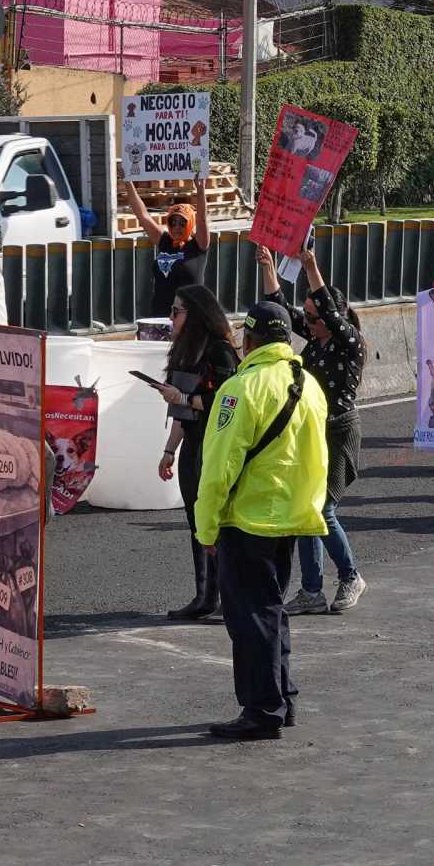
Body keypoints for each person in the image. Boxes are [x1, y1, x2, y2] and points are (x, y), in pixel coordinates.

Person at [193, 301, 329, 740]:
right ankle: (282, 697)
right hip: (291, 516)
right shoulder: (308, 384)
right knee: (270, 610)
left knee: (250, 617)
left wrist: (206, 526)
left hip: (247, 517)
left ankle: (262, 707)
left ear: (247, 340)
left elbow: (217, 467)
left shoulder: (240, 388)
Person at [255, 245, 368, 617]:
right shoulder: (316, 339)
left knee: (322, 508)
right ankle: (312, 591)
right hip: (314, 432)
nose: (310, 322)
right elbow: (281, 311)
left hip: (340, 432)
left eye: (315, 317)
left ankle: (351, 576)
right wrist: (269, 269)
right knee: (307, 507)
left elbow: (330, 313)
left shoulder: (349, 343)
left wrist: (311, 265)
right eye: (309, 318)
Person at [155, 284, 240, 619]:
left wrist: (184, 399)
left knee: (216, 521)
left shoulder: (220, 350)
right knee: (196, 521)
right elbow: (182, 410)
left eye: (177, 311)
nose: (171, 317)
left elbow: (225, 397)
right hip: (192, 443)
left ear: (196, 314)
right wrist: (168, 451)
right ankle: (205, 595)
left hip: (216, 445)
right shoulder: (184, 351)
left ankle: (226, 596)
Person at [123, 177, 211, 319]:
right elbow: (142, 215)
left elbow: (202, 219)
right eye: (173, 222)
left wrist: (200, 190)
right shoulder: (164, 240)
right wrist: (128, 183)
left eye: (182, 223)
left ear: (190, 225)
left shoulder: (198, 244)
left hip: (189, 317)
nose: (177, 227)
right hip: (160, 315)